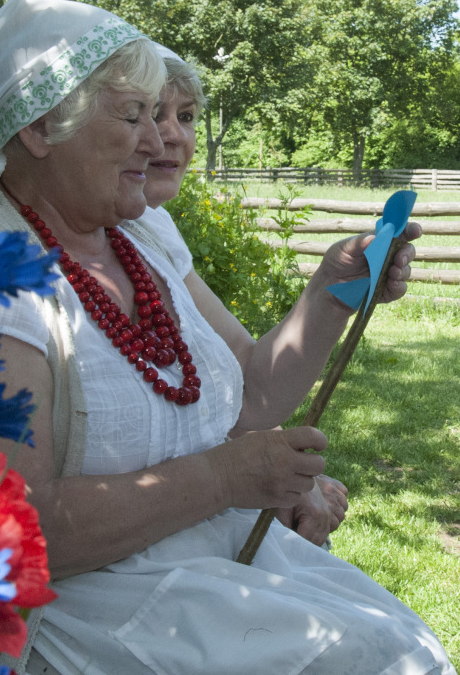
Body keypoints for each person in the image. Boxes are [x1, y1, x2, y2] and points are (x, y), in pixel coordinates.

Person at [0, 0, 460, 675]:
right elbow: (17, 530)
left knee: (409, 657)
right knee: (390, 674)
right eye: (133, 116)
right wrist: (223, 477)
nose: (158, 141)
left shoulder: (141, 237)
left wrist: (333, 289)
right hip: (90, 609)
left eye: (160, 114)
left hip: (207, 567)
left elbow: (249, 396)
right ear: (39, 127)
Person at [136, 49, 349, 545]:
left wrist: (332, 290)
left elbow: (247, 382)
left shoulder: (151, 228)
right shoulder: (59, 243)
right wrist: (260, 473)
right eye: (148, 112)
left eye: (186, 116)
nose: (172, 134)